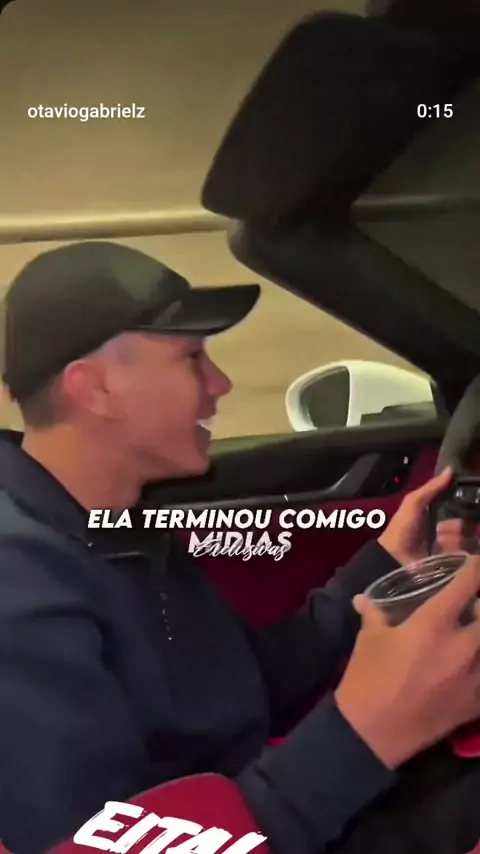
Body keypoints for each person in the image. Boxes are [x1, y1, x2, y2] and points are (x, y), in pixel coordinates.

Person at [0, 240, 477, 854]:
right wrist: (367, 732)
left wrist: (385, 561)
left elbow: (244, 686)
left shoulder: (118, 526)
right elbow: (107, 844)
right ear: (96, 390)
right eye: (193, 358)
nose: (220, 383)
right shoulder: (18, 590)